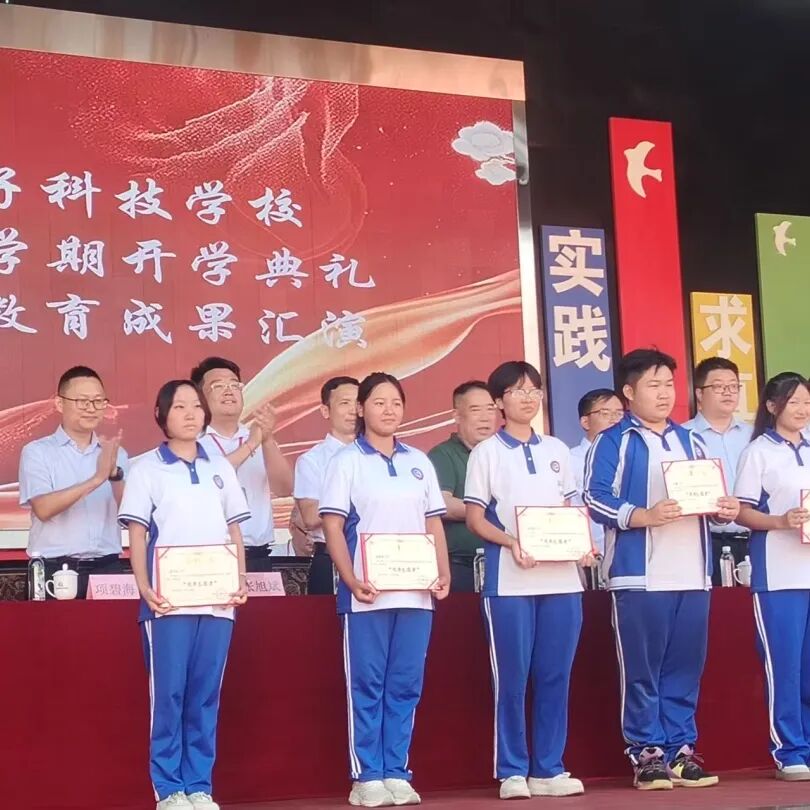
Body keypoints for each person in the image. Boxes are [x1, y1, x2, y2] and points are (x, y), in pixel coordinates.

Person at [584, 348, 739, 790]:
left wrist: (723, 509)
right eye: (653, 385)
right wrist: (642, 515)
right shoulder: (614, 440)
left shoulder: (692, 441)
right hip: (639, 576)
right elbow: (594, 498)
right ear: (629, 392)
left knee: (685, 668)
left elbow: (709, 498)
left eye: (669, 384)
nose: (664, 393)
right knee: (642, 670)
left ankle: (681, 751)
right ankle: (646, 753)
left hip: (692, 573)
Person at [319, 372, 451, 807]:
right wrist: (350, 578)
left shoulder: (418, 461)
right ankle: (366, 775)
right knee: (368, 684)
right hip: (367, 595)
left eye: (396, 402)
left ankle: (396, 769)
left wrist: (442, 572)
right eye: (379, 402)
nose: (389, 410)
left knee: (406, 684)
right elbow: (333, 525)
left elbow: (433, 522)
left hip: (416, 593)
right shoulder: (346, 462)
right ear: (361, 408)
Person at [119, 379, 249, 810]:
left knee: (205, 695)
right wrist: (144, 587)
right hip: (168, 602)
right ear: (161, 415)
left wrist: (240, 578)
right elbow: (137, 534)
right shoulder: (146, 469)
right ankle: (169, 787)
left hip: (217, 600)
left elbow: (234, 529)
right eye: (179, 407)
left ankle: (199, 785)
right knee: (169, 694)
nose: (190, 414)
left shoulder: (220, 467)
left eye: (196, 406)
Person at [464, 360, 586, 800]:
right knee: (512, 679)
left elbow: (572, 511)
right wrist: (511, 541)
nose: (528, 398)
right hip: (511, 581)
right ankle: (513, 769)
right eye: (517, 391)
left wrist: (582, 544)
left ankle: (549, 767)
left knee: (556, 675)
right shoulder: (486, 453)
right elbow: (475, 518)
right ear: (499, 402)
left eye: (534, 389)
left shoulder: (557, 449)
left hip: (563, 580)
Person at [735, 372, 810, 781]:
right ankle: (790, 750)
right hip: (779, 575)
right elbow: (742, 512)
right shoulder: (758, 452)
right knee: (785, 666)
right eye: (793, 402)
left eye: (807, 403)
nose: (802, 410)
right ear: (771, 406)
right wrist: (780, 521)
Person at [19, 365, 128, 598]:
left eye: (98, 401)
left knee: (113, 624)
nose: (92, 408)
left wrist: (115, 477)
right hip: (54, 568)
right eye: (82, 401)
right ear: (60, 404)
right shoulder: (37, 452)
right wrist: (97, 479)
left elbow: (129, 514)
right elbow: (43, 509)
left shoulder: (117, 454)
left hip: (107, 567)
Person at [192, 357, 293, 560]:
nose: (229, 391)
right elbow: (210, 480)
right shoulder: (192, 442)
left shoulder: (258, 436)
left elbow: (285, 488)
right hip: (211, 553)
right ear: (199, 397)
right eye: (218, 386)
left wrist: (267, 440)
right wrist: (252, 444)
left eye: (234, 385)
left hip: (258, 553)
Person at [683, 357, 752, 584]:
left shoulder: (755, 436)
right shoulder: (682, 437)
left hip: (753, 540)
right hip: (704, 544)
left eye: (733, 386)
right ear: (699, 393)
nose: (728, 392)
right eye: (719, 387)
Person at [428, 381, 498, 592]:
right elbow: (442, 504)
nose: (485, 417)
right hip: (461, 566)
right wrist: (494, 512)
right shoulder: (443, 454)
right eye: (475, 410)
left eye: (490, 409)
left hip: (505, 561)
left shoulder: (504, 454)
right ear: (457, 416)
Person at [294, 376, 359, 594]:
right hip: (329, 558)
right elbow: (311, 517)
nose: (353, 410)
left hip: (377, 556)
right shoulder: (312, 460)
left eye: (358, 403)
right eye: (344, 403)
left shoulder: (382, 456)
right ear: (325, 411)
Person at [569, 388, 624, 557]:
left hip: (628, 552)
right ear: (585, 422)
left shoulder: (633, 457)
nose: (615, 419)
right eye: (605, 413)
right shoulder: (570, 460)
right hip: (589, 555)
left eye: (619, 413)